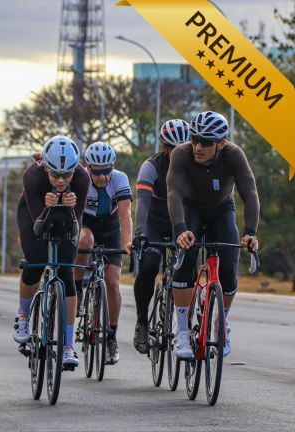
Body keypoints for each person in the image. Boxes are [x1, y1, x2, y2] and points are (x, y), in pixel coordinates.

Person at [167, 111, 259, 359]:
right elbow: (174, 193)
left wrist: (250, 233)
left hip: (221, 209)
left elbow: (249, 194)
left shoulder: (234, 155)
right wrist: (180, 230)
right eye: (195, 139)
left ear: (221, 143)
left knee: (229, 265)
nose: (198, 146)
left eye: (206, 142)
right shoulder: (181, 154)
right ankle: (183, 331)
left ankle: (221, 324)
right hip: (191, 208)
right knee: (186, 260)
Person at [14, 135, 90, 367]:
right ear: (45, 166)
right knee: (34, 264)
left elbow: (75, 224)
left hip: (67, 218)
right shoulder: (33, 176)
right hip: (33, 214)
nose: (60, 180)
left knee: (66, 272)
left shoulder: (83, 178)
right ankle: (23, 315)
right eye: (55, 174)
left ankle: (68, 345)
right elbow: (38, 226)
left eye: (66, 174)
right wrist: (47, 207)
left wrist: (70, 208)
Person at [132, 119, 190, 354]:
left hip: (182, 223)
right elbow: (142, 203)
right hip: (155, 223)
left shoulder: (192, 165)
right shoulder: (151, 166)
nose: (178, 153)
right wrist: (140, 232)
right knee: (149, 266)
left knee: (187, 272)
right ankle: (142, 323)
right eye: (172, 148)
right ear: (164, 148)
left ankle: (185, 326)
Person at [72, 142, 132, 365]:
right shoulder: (80, 178)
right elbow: (73, 213)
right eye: (96, 171)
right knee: (85, 240)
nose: (102, 176)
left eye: (106, 170)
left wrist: (128, 241)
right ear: (88, 168)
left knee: (113, 282)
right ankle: (77, 290)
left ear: (112, 167)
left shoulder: (120, 178)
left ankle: (111, 337)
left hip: (110, 227)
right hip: (85, 222)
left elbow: (125, 213)